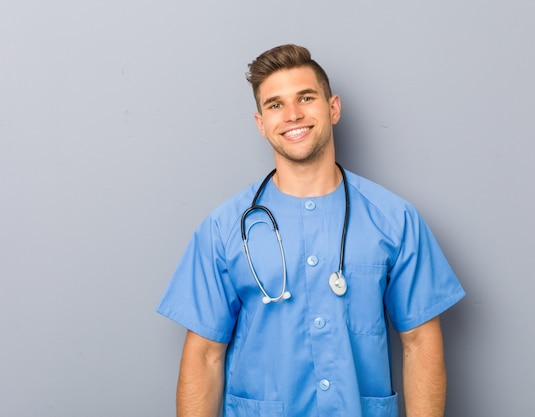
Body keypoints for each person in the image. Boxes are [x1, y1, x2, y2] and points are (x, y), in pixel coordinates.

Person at [157, 44, 465, 417]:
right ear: (261, 123)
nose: (292, 115)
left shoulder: (394, 219)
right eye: (275, 105)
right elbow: (204, 355)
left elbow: (420, 344)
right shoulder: (223, 229)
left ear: (333, 108)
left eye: (305, 97)